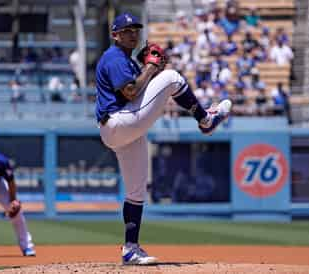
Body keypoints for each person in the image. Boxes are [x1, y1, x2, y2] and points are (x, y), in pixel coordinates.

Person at [95, 12, 231, 265]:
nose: (133, 33)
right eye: (126, 30)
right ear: (115, 35)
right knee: (173, 78)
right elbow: (131, 90)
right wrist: (152, 67)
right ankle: (206, 120)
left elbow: (138, 88)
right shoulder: (113, 57)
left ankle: (131, 248)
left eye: (135, 29)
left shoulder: (127, 61)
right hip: (118, 120)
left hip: (122, 129)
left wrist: (146, 66)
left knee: (136, 191)